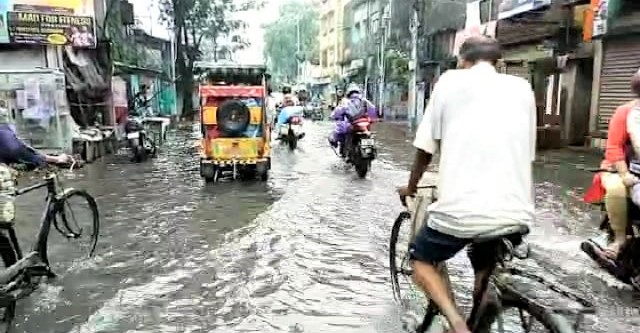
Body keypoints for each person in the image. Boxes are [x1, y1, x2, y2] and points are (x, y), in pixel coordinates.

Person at [396, 36, 536, 333]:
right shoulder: (522, 88)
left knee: (420, 259)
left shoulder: (449, 82)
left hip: (463, 212)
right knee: (483, 252)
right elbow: (528, 152)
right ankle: (482, 305)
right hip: (517, 211)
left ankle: (457, 323)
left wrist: (410, 187)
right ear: (497, 61)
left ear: (462, 60)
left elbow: (425, 149)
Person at [588, 69, 640, 259]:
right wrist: (625, 174)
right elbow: (614, 148)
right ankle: (620, 238)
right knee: (617, 188)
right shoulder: (626, 113)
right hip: (618, 169)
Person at [0, 108, 69, 168]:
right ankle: (57, 159)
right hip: (14, 150)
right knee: (29, 156)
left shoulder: (5, 130)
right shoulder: (5, 131)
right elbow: (18, 148)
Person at [328, 83, 376, 157]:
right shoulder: (364, 101)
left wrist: (333, 116)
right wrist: (372, 119)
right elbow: (373, 110)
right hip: (364, 126)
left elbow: (337, 112)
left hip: (352, 125)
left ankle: (345, 152)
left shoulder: (346, 101)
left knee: (340, 132)